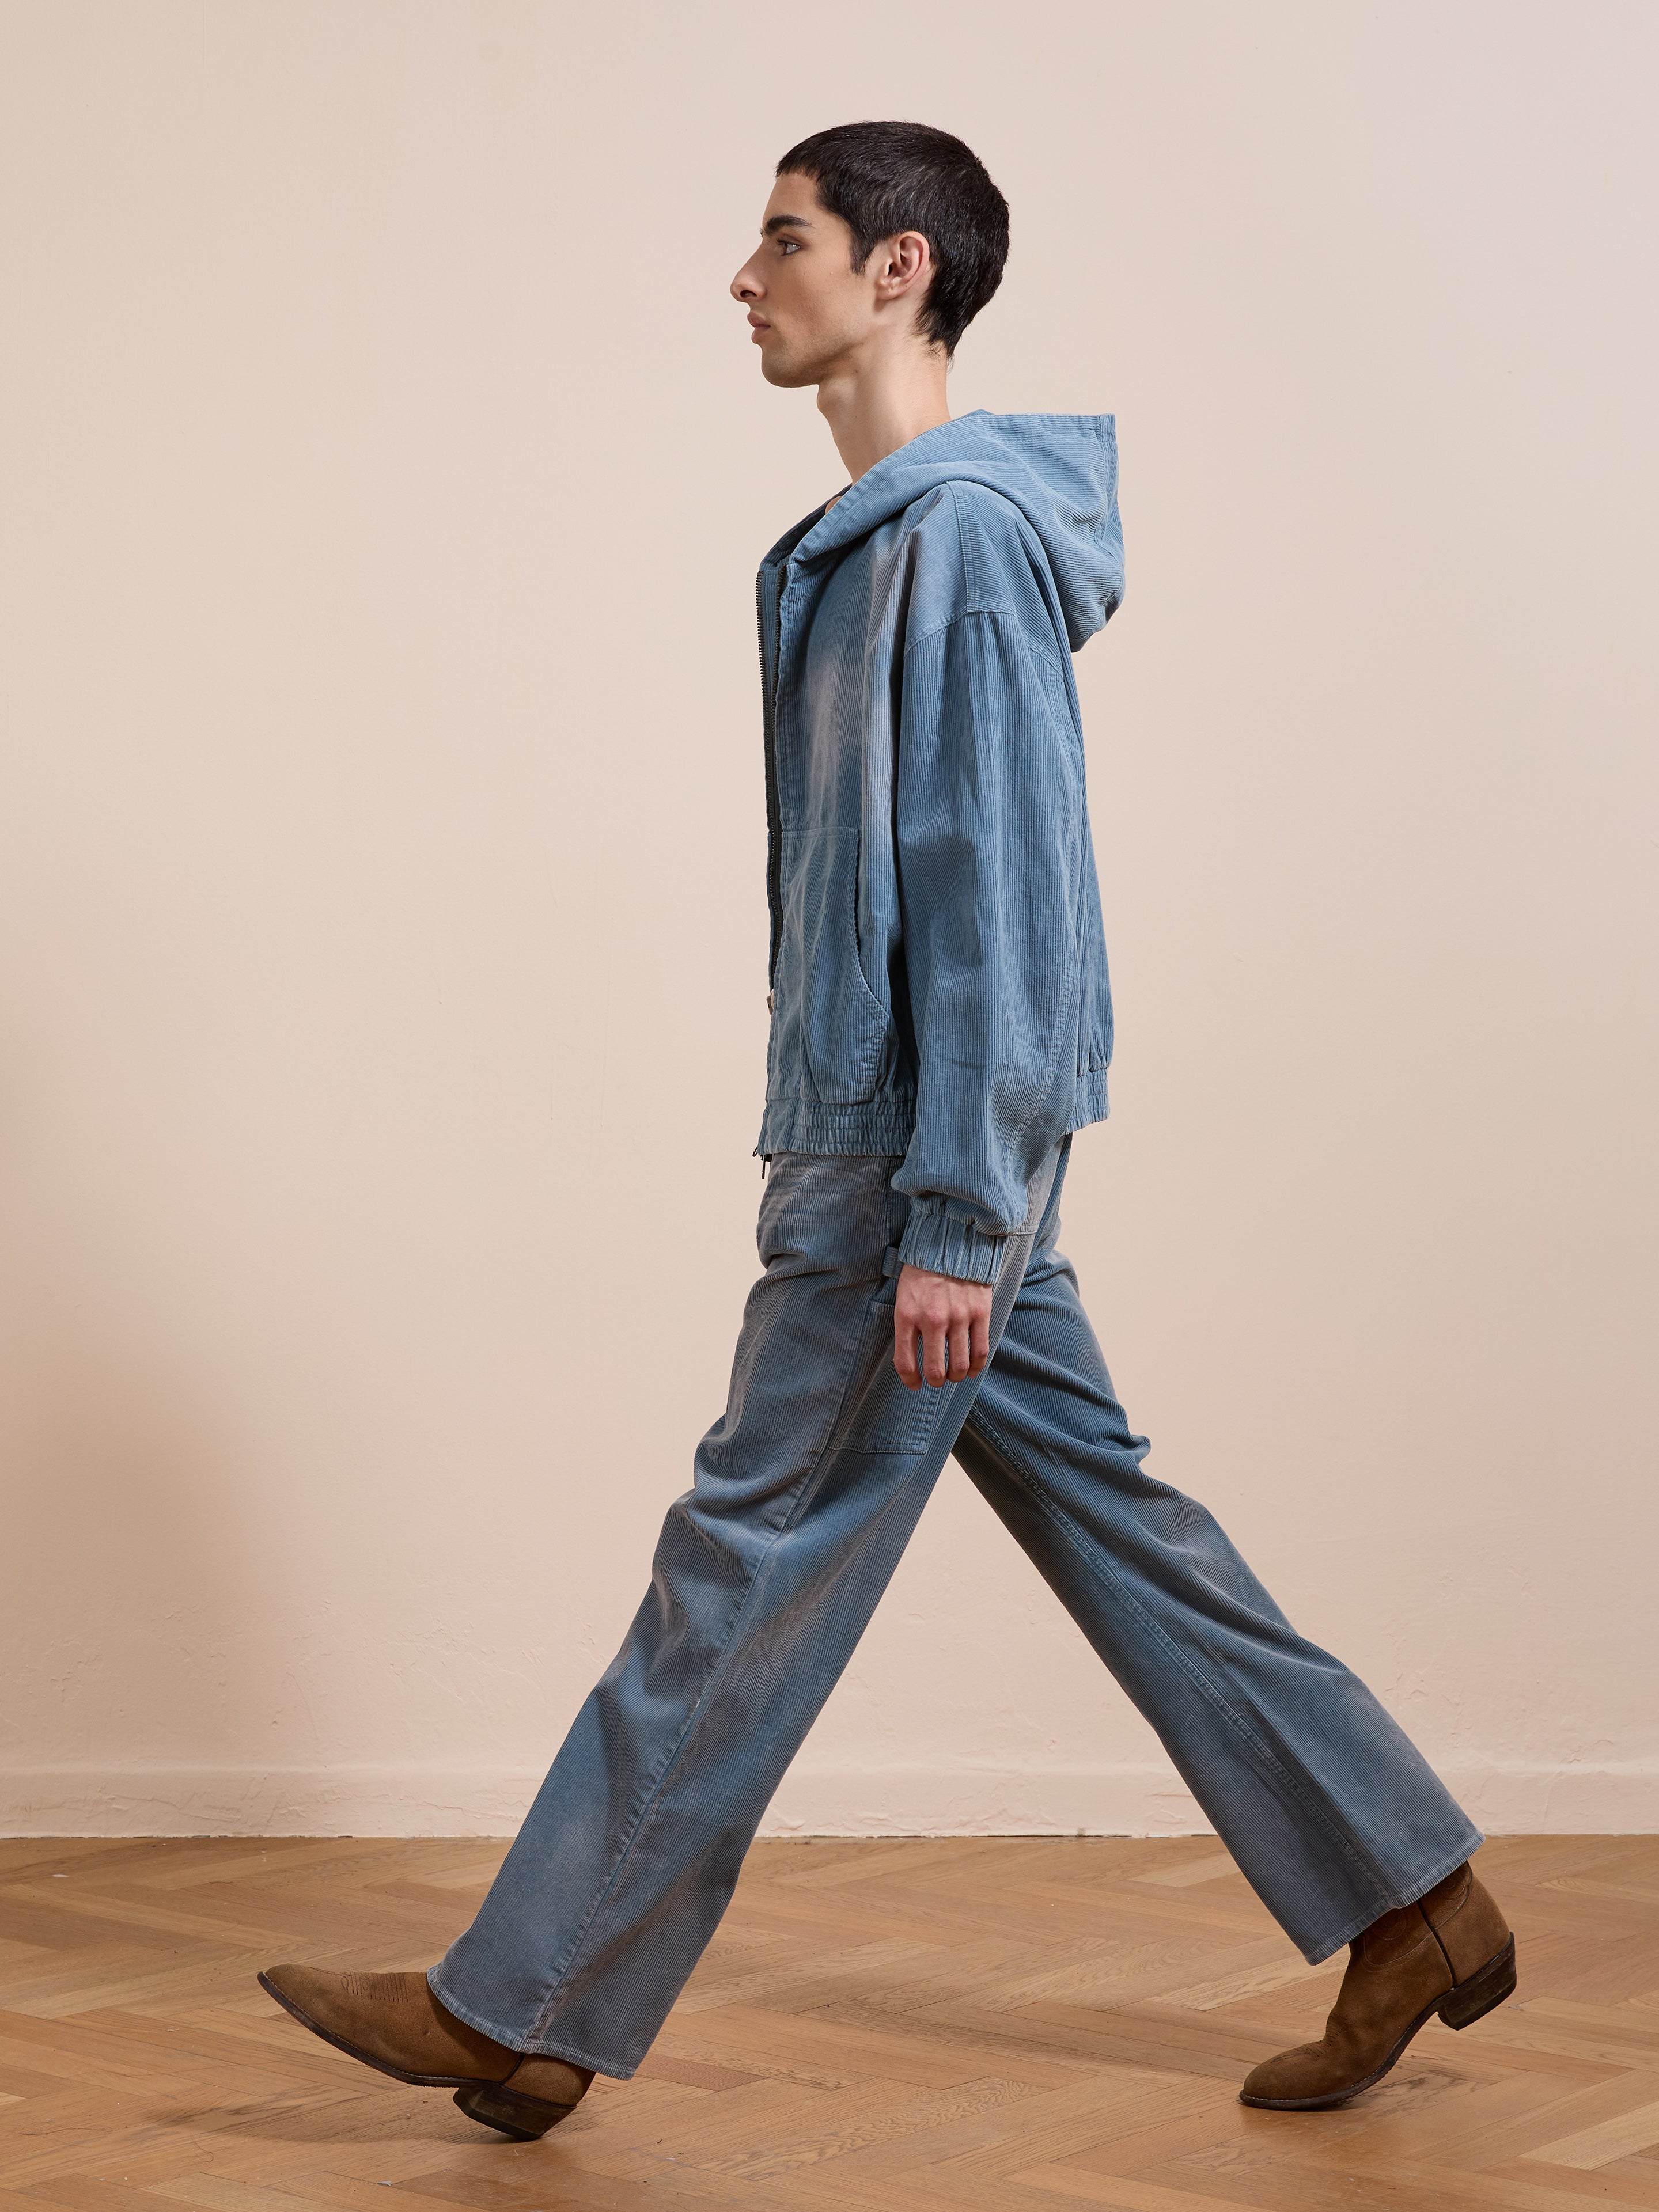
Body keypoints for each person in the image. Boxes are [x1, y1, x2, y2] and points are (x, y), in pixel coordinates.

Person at [259, 120, 1514, 2144]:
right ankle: (1414, 1897)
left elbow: (1008, 904)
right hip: (914, 1149)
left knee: (743, 1549)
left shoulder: (959, 550)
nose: (745, 277)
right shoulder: (884, 547)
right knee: (1114, 1518)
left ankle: (530, 1996)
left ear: (899, 271)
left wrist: (951, 1209)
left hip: (908, 1166)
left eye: (784, 239)